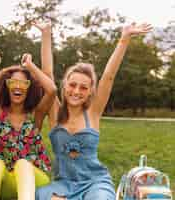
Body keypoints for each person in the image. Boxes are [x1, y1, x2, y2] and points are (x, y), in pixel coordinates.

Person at [35, 22, 152, 200]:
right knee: (41, 195)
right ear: (64, 85)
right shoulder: (55, 111)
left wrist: (125, 37)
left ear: (90, 91)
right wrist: (45, 34)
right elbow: (47, 73)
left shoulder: (93, 112)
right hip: (63, 183)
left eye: (83, 87)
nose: (76, 91)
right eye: (72, 85)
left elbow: (109, 76)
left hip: (95, 183)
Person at [0, 51, 57, 200]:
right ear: (6, 86)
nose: (17, 86)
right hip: (8, 181)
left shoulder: (36, 114)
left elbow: (52, 90)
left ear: (29, 88)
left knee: (22, 164)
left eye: (23, 83)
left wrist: (30, 66)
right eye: (12, 82)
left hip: (35, 180)